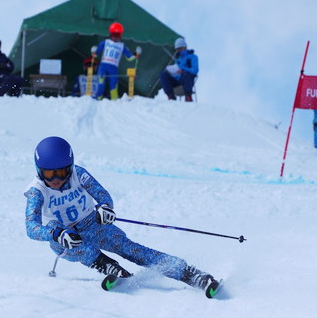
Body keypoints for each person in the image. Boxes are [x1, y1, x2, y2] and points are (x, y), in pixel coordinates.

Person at [24, 136, 222, 298]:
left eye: (61, 172)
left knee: (131, 249)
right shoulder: (36, 191)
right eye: (49, 174)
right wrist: (55, 233)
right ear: (39, 171)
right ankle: (106, 265)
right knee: (74, 245)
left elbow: (102, 194)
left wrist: (105, 208)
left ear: (71, 166)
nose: (56, 179)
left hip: (93, 225)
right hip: (65, 237)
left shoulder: (79, 174)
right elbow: (31, 227)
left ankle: (191, 274)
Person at [91, 22, 138, 100]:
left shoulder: (122, 46)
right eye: (113, 35)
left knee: (113, 85)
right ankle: (98, 98)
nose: (115, 37)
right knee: (101, 82)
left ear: (121, 35)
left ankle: (114, 101)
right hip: (103, 66)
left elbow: (129, 57)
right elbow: (97, 53)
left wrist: (135, 55)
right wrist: (94, 52)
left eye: (117, 35)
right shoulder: (105, 42)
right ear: (110, 34)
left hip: (113, 68)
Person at [159, 37, 199, 102]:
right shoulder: (178, 60)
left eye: (180, 49)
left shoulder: (193, 57)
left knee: (185, 73)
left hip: (187, 79)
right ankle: (170, 96)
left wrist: (183, 70)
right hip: (177, 80)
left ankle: (188, 96)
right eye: (177, 49)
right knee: (163, 74)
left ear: (185, 47)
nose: (179, 51)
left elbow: (195, 70)